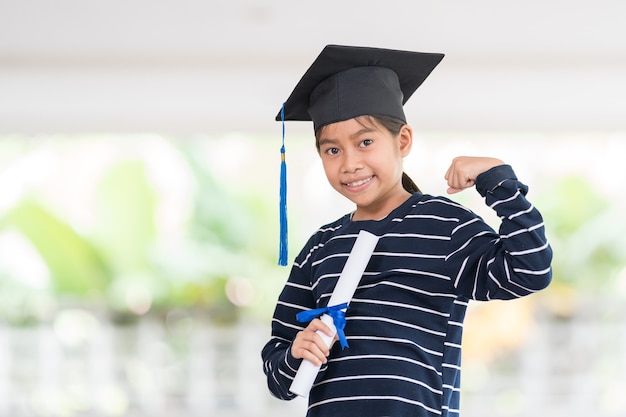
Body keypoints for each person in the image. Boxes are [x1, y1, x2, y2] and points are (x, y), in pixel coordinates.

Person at [261, 45, 552, 417]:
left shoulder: (443, 224)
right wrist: (295, 353)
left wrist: (498, 180)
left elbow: (530, 271)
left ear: (402, 141)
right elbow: (279, 376)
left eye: (365, 142)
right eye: (331, 150)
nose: (350, 164)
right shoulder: (322, 246)